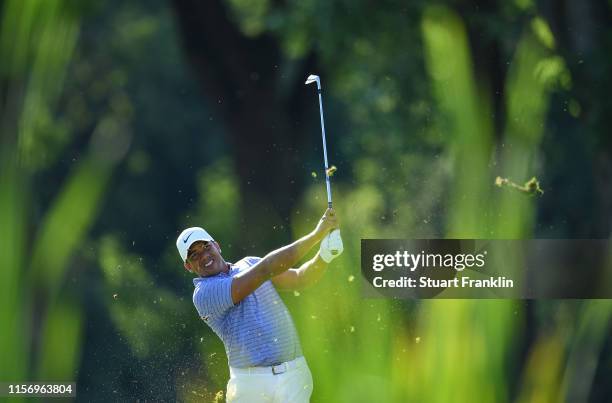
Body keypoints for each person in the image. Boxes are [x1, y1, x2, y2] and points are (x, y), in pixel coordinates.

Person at [176, 208, 343, 403]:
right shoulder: (204, 294)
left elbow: (300, 278)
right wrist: (316, 235)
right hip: (251, 385)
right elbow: (264, 271)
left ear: (217, 245)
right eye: (194, 255)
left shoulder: (250, 263)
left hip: (294, 375)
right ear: (188, 266)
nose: (203, 255)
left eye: (205, 246)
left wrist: (324, 256)